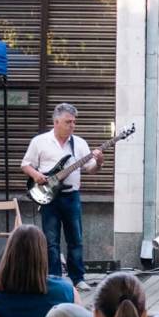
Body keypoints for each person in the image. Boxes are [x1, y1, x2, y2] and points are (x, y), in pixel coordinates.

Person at [21, 102, 99, 288]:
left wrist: (100, 161)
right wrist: (37, 175)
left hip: (72, 196)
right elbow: (25, 164)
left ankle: (78, 278)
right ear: (56, 122)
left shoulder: (79, 143)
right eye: (68, 122)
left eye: (74, 122)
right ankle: (54, 278)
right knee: (51, 241)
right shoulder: (39, 141)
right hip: (49, 197)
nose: (72, 125)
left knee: (76, 239)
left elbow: (91, 169)